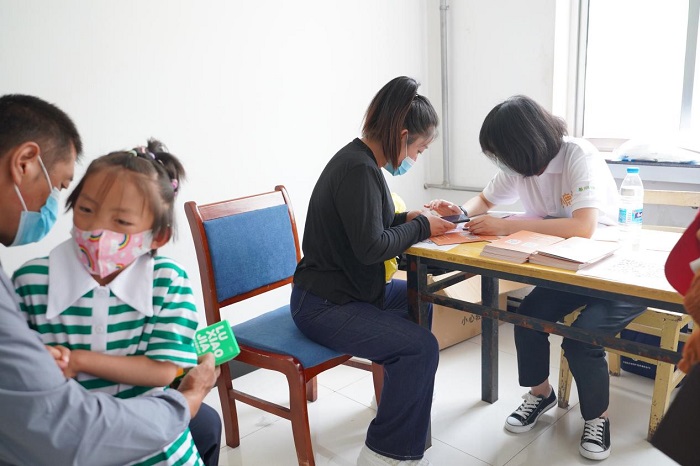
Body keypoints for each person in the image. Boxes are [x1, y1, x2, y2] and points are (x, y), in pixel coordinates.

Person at [0, 94, 218, 466]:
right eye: (85, 210)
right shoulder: (29, 281)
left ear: (157, 236)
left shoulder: (168, 282)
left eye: (122, 222)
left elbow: (165, 369)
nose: (97, 229)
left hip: (158, 452)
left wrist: (77, 360)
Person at [427, 95, 646, 461]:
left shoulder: (577, 155)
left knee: (581, 339)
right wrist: (460, 212)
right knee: (527, 319)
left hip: (613, 271)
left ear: (525, 143)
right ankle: (541, 394)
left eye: (503, 154)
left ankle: (598, 417)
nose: (502, 163)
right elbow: (485, 200)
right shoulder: (521, 166)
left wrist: (507, 226)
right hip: (568, 267)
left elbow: (584, 226)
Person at [290, 76, 454, 466]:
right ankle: (385, 455)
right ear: (402, 135)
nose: (417, 157)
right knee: (420, 348)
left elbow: (369, 227)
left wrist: (410, 217)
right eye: (419, 148)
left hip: (349, 293)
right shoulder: (358, 169)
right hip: (323, 305)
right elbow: (371, 247)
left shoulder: (363, 163)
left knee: (419, 301)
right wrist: (422, 226)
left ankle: (399, 416)